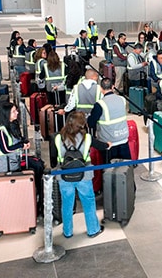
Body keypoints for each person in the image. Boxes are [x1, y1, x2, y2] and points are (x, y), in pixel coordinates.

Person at [54, 111, 106, 239]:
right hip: (84, 175)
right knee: (88, 203)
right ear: (82, 125)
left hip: (64, 175)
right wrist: (108, 145)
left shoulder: (58, 137)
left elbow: (54, 158)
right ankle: (93, 230)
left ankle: (67, 232)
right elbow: (102, 146)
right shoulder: (87, 138)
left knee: (66, 204)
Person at [88, 78, 132, 161]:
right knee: (125, 166)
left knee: (109, 168)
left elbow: (91, 123)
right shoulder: (122, 100)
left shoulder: (99, 105)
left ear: (100, 89)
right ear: (113, 87)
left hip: (108, 143)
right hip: (123, 139)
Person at [0, 102, 31, 173]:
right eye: (13, 111)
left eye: (16, 110)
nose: (17, 113)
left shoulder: (13, 124)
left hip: (13, 163)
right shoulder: (1, 131)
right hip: (4, 167)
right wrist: (21, 145)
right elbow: (5, 149)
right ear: (6, 114)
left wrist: (24, 141)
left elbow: (17, 138)